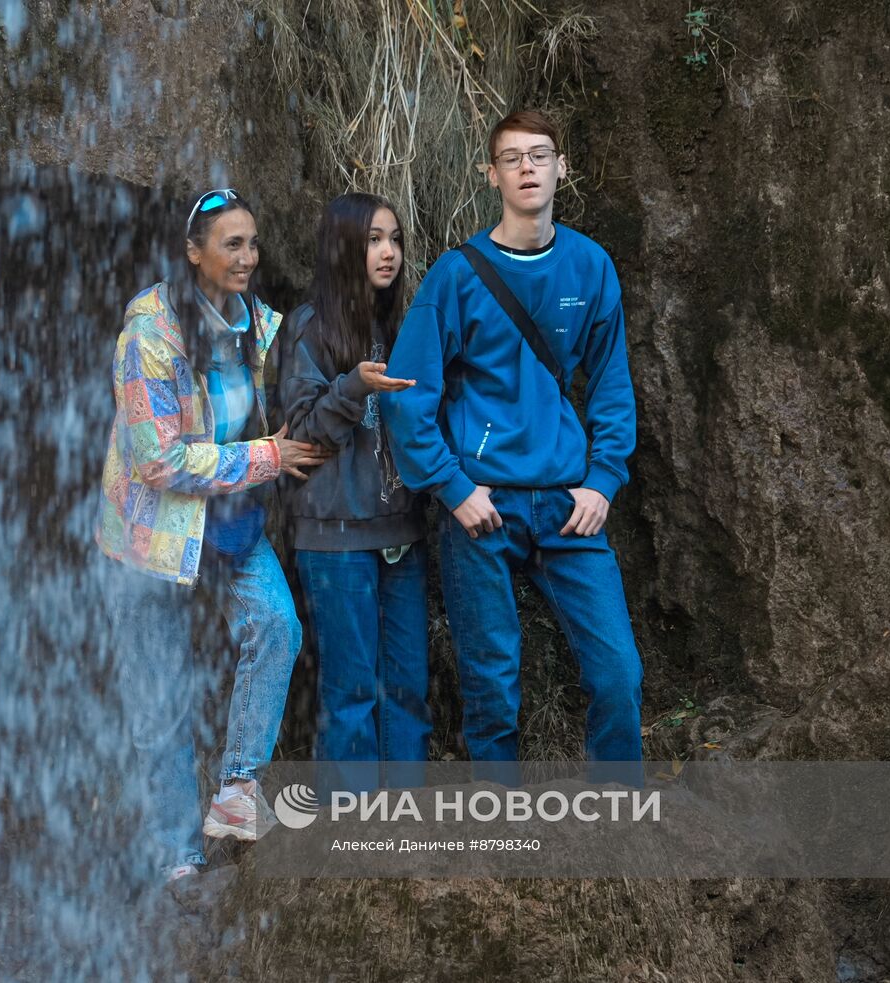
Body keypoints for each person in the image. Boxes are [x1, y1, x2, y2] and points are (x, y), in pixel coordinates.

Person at [383, 110, 644, 786]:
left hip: (568, 504)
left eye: (540, 156)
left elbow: (611, 386)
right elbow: (407, 394)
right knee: (491, 679)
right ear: (490, 173)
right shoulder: (456, 276)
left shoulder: (591, 267)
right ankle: (500, 825)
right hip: (483, 507)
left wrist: (604, 479)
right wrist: (453, 486)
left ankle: (620, 816)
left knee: (618, 671)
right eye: (512, 158)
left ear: (562, 167)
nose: (528, 168)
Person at [96, 188, 330, 882]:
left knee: (278, 627)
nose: (249, 257)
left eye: (253, 243)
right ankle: (177, 854)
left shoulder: (257, 321)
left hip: (229, 525)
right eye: (232, 244)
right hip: (150, 538)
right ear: (193, 252)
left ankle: (235, 789)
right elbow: (158, 461)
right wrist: (268, 457)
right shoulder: (150, 336)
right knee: (158, 706)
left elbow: (316, 350)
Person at [277, 193, 430, 793]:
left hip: (403, 533)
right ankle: (351, 837)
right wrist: (353, 387)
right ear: (344, 248)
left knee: (408, 687)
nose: (388, 251)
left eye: (393, 238)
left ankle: (405, 824)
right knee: (351, 691)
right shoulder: (309, 327)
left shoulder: (405, 324)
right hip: (335, 536)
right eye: (372, 240)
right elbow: (305, 430)